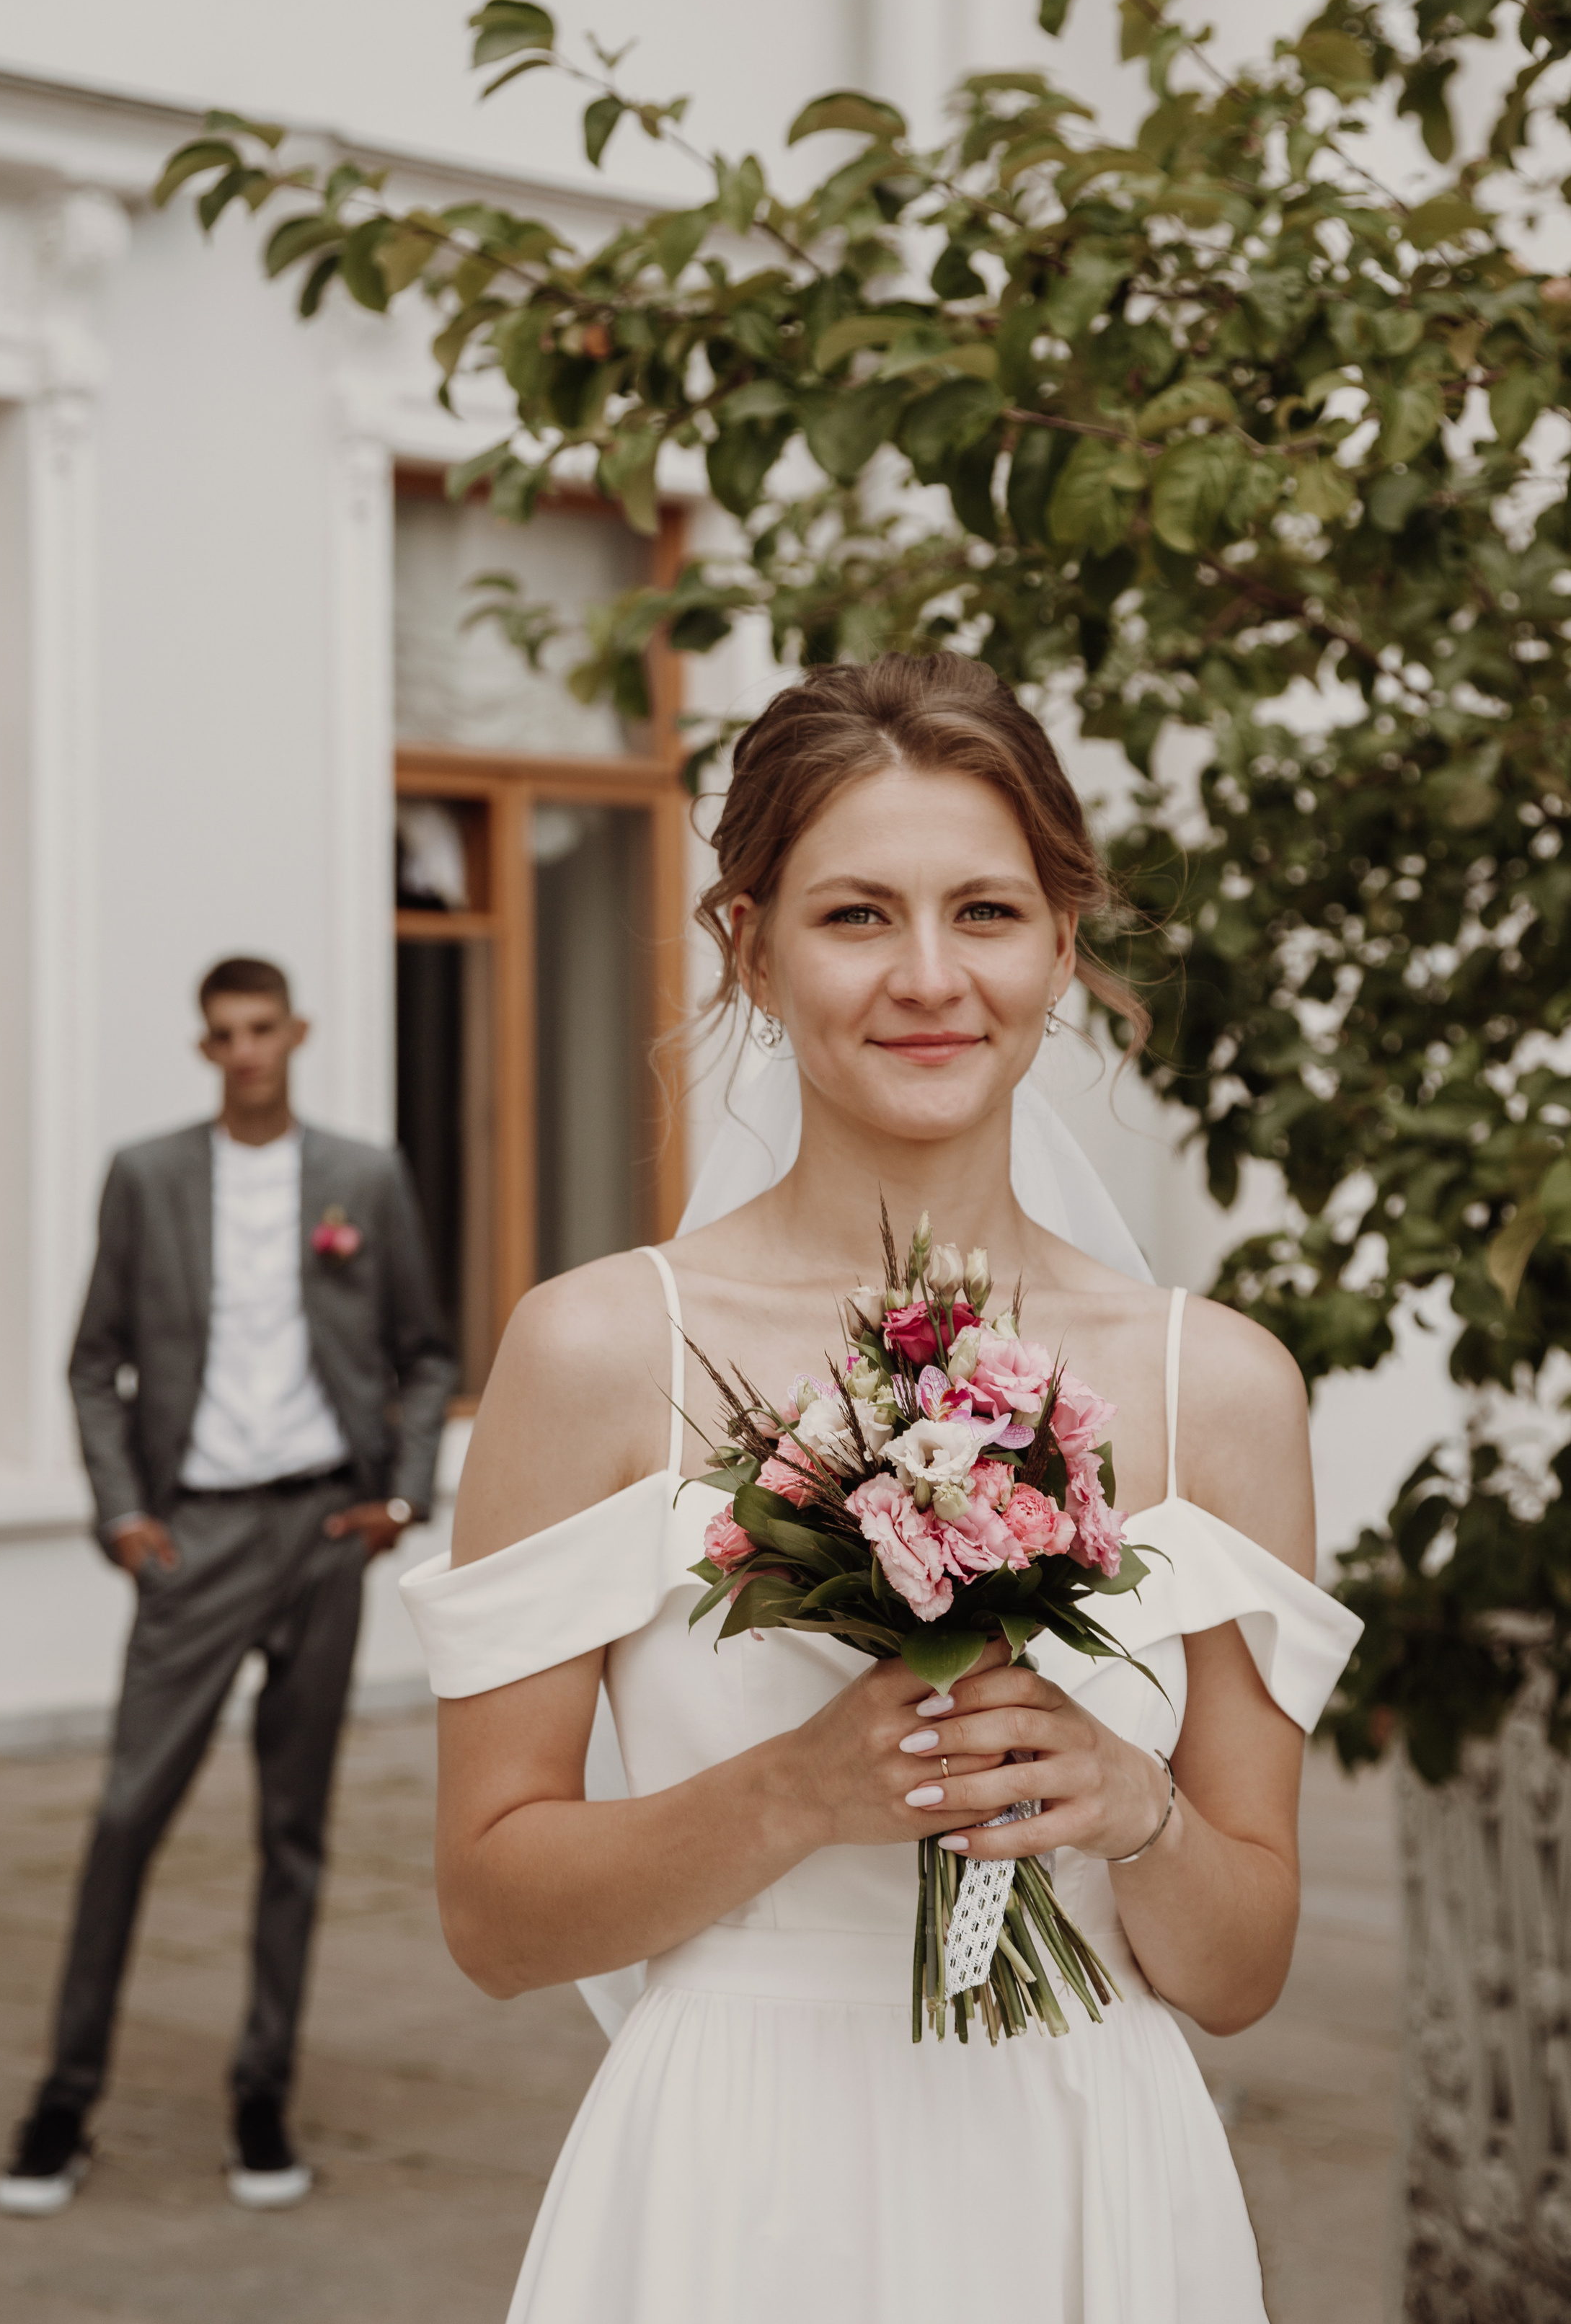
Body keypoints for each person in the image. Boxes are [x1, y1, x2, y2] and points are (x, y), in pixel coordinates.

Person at [401, 655, 1360, 2321]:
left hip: (1086, 2160)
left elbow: (1237, 1973)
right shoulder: (600, 1352)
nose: (929, 978)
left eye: (984, 911)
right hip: (733, 2181)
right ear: (749, 948)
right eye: (856, 916)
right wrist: (800, 1791)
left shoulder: (1219, 1387)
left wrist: (1135, 1813)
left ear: (1064, 942)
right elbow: (492, 1920)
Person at [0, 956, 453, 2216]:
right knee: (127, 1815)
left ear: (294, 1033)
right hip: (191, 1538)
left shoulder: (363, 1175)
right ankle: (63, 2099)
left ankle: (262, 2094)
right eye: (222, 1035)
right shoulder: (147, 1176)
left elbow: (426, 1351)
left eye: (261, 1028)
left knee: (294, 1829)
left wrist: (403, 1497)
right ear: (206, 1050)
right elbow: (95, 1360)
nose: (244, 1050)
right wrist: (125, 1514)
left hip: (321, 1527)